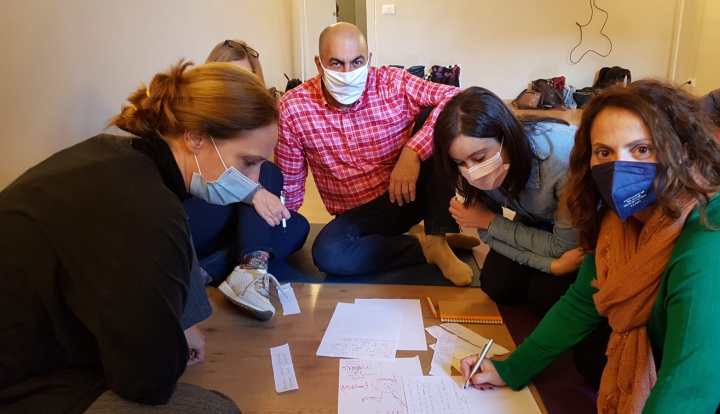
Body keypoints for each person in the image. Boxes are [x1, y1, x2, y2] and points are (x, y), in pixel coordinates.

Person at [0, 59, 280, 413]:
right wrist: (169, 343)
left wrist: (179, 325)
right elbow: (148, 381)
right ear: (195, 137)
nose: (255, 182)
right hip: (21, 378)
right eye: (248, 162)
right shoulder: (147, 209)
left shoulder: (120, 155)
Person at [461, 80, 720, 413]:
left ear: (680, 149)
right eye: (604, 152)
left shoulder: (716, 225)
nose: (619, 167)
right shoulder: (619, 221)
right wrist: (511, 368)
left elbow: (690, 387)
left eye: (642, 149)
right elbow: (582, 302)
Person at [276, 22, 478, 285]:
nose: (348, 73)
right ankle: (425, 248)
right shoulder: (293, 107)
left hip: (407, 192)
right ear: (319, 64)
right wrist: (279, 231)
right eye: (336, 63)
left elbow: (458, 98)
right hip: (358, 215)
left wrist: (413, 152)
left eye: (357, 62)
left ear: (369, 59)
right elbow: (289, 185)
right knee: (329, 254)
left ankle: (438, 236)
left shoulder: (392, 82)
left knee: (440, 118)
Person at [183, 39, 310, 321]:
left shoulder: (255, 128)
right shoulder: (195, 123)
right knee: (267, 175)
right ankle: (247, 267)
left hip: (229, 229)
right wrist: (253, 192)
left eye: (247, 82)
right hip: (196, 220)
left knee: (296, 225)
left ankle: (223, 270)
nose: (239, 91)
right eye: (229, 80)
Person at [433, 87, 583, 316]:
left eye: (479, 158)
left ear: (506, 137)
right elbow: (487, 235)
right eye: (460, 163)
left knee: (546, 296)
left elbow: (564, 247)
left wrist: (489, 220)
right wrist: (550, 265)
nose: (472, 171)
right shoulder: (466, 171)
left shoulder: (563, 165)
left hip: (578, 235)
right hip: (536, 223)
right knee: (496, 284)